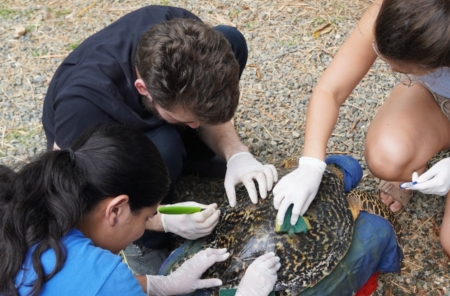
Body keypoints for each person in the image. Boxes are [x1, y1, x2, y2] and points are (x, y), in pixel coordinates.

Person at [0, 124, 281, 296]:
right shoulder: (98, 276)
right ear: (116, 210)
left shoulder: (20, 209)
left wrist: (161, 284)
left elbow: (63, 292)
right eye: (147, 217)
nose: (147, 224)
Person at [273, 0, 450, 276]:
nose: (388, 68)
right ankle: (419, 150)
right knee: (387, 157)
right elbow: (331, 89)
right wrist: (311, 164)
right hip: (432, 100)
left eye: (399, 69)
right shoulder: (402, 7)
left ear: (438, 62)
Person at [42, 5, 278, 275]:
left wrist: (236, 152)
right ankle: (145, 243)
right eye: (189, 120)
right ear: (142, 88)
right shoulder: (82, 105)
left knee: (230, 40)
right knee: (164, 147)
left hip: (159, 108)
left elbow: (204, 99)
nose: (196, 126)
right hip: (110, 140)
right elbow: (71, 195)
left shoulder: (184, 30)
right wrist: (158, 220)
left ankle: (191, 155)